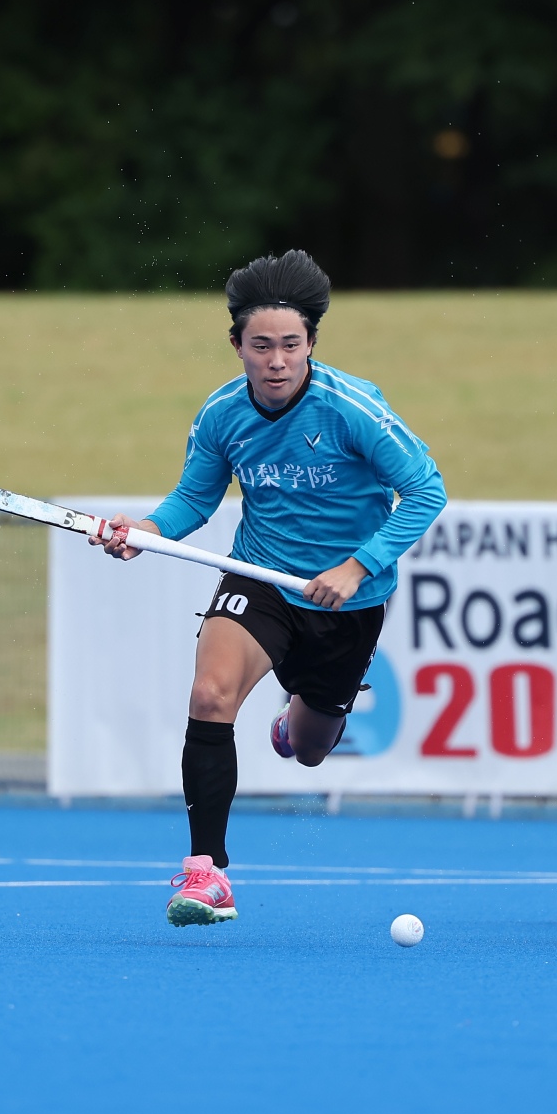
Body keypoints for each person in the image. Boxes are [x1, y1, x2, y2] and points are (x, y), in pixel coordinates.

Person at [93, 251, 447, 927]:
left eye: (290, 344)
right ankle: (208, 873)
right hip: (260, 579)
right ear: (237, 346)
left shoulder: (352, 408)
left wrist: (357, 566)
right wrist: (147, 531)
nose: (277, 361)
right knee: (210, 694)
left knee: (311, 749)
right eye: (261, 346)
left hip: (348, 601)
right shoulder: (222, 414)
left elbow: (427, 491)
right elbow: (194, 499)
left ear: (311, 343)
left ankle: (294, 720)